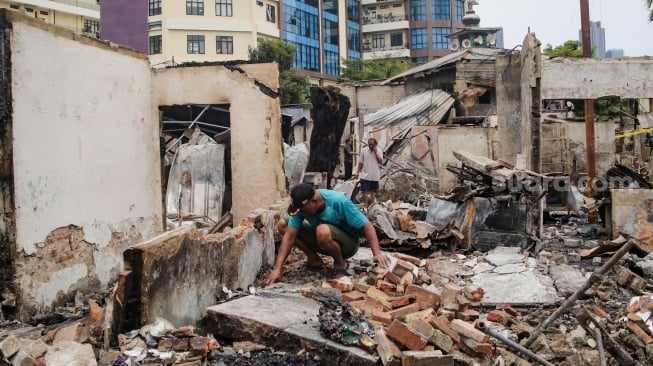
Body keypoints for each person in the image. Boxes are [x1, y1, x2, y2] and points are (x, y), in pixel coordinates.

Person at [262, 183, 390, 286]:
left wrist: (377, 253)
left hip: (348, 244)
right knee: (283, 224)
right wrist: (277, 269)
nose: (303, 213)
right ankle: (313, 258)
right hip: (323, 238)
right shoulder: (303, 208)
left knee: (322, 230)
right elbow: (289, 236)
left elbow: (367, 225)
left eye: (304, 210)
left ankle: (340, 264)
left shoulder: (338, 202)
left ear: (315, 201)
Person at [356, 137, 383, 210]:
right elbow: (360, 162)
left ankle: (372, 205)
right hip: (365, 174)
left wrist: (376, 153)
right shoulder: (364, 151)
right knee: (364, 190)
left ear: (375, 144)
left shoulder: (379, 151)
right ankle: (365, 205)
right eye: (369, 144)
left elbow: (381, 161)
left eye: (372, 144)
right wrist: (357, 172)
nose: (370, 145)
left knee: (373, 191)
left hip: (374, 175)